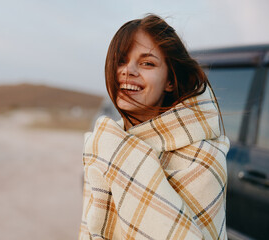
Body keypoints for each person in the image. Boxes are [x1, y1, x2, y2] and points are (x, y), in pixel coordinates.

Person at [79, 14, 230, 240]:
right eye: (121, 60)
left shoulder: (203, 159)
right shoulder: (106, 143)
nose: (128, 70)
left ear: (170, 81)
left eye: (147, 63)